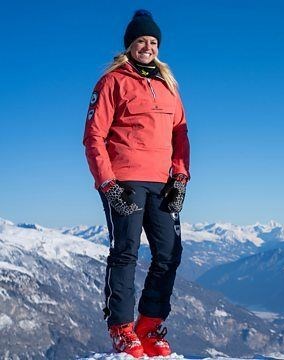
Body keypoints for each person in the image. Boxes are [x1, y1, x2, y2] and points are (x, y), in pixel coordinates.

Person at [83, 9, 190, 358]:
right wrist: (109, 184)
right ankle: (121, 329)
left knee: (169, 253)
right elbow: (94, 137)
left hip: (162, 183)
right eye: (142, 41)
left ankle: (149, 326)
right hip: (125, 179)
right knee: (125, 252)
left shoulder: (168, 86)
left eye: (154, 41)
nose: (148, 46)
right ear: (129, 45)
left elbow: (180, 133)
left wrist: (180, 179)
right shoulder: (112, 82)